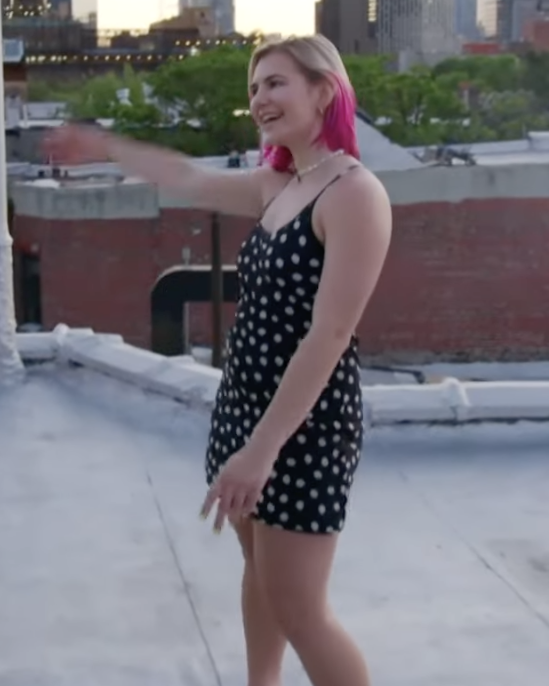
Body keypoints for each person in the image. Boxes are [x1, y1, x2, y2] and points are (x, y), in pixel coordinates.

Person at [45, 35, 389, 686]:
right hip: (243, 410)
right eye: (254, 87)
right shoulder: (279, 183)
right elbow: (187, 178)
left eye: (276, 83)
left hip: (302, 429)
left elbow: (329, 334)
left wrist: (260, 452)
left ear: (323, 90)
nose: (259, 98)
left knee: (301, 609)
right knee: (260, 576)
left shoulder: (353, 194)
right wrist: (103, 147)